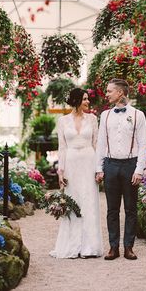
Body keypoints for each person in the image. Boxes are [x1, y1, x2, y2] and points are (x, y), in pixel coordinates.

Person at [95, 78, 146, 260]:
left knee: (131, 209)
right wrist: (99, 168)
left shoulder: (138, 115)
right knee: (112, 209)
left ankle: (129, 247)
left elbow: (142, 145)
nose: (106, 94)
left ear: (120, 93)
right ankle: (113, 247)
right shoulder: (105, 115)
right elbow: (100, 143)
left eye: (109, 91)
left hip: (130, 165)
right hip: (110, 165)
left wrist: (139, 169)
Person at [49, 88, 103, 259]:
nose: (88, 102)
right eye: (85, 99)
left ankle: (90, 247)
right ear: (76, 100)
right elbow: (62, 147)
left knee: (89, 201)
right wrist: (60, 171)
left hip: (89, 161)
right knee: (73, 202)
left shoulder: (93, 119)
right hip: (71, 163)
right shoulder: (63, 121)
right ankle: (72, 245)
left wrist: (99, 169)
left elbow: (96, 144)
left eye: (88, 99)